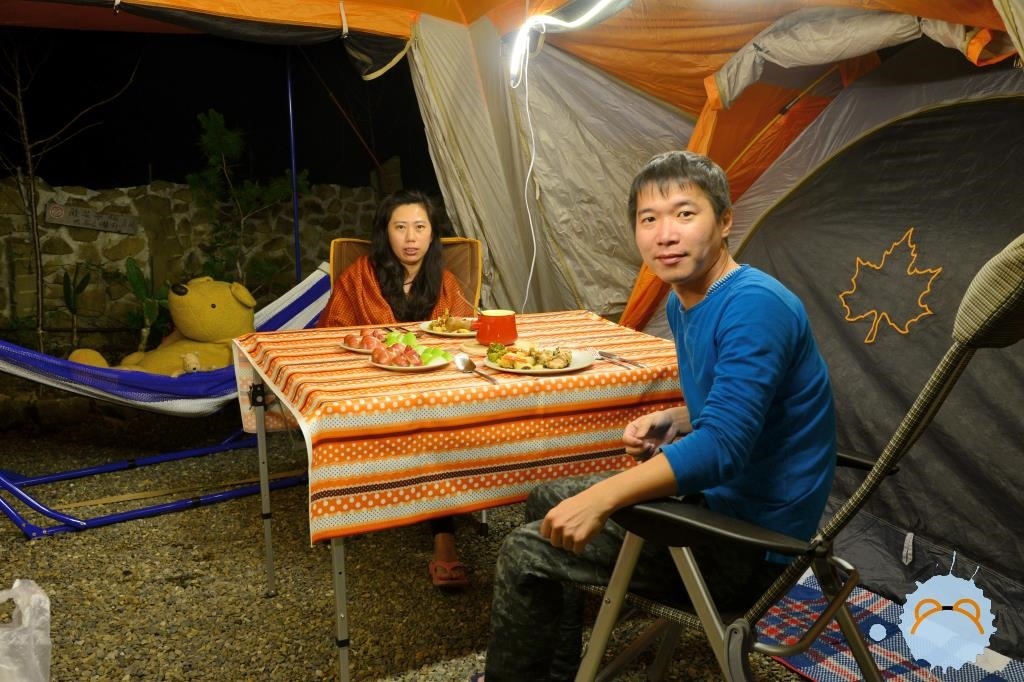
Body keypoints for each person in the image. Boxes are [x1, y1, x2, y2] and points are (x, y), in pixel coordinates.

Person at [478, 151, 837, 680]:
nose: (665, 235)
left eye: (685, 214)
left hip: (752, 547)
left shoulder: (755, 305)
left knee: (525, 550)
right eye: (649, 219)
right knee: (546, 499)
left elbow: (723, 447)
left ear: (725, 221)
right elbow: (746, 404)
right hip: (718, 505)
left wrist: (603, 497)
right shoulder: (683, 300)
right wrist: (679, 417)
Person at [318, 189, 475, 589]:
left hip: (431, 389)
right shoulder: (360, 276)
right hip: (373, 389)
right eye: (400, 227)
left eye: (419, 227)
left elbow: (464, 336)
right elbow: (333, 334)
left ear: (432, 233)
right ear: (385, 232)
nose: (410, 238)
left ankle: (444, 539)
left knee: (440, 427)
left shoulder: (445, 281)